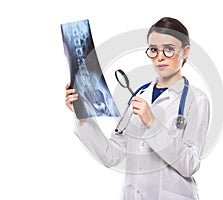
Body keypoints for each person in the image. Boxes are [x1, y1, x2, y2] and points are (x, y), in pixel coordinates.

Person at [65, 17, 210, 200]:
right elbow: (112, 156)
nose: (160, 56)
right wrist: (83, 115)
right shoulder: (139, 95)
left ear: (185, 51)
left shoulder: (196, 100)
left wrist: (152, 124)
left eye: (169, 49)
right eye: (154, 50)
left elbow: (190, 164)